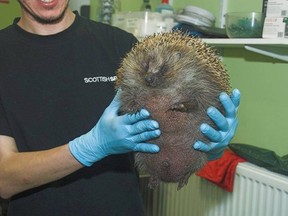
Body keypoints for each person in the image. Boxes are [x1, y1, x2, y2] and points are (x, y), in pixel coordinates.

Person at [0, 1, 240, 215]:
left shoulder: (122, 45)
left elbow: (163, 144)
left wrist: (209, 145)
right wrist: (87, 148)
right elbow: (3, 179)